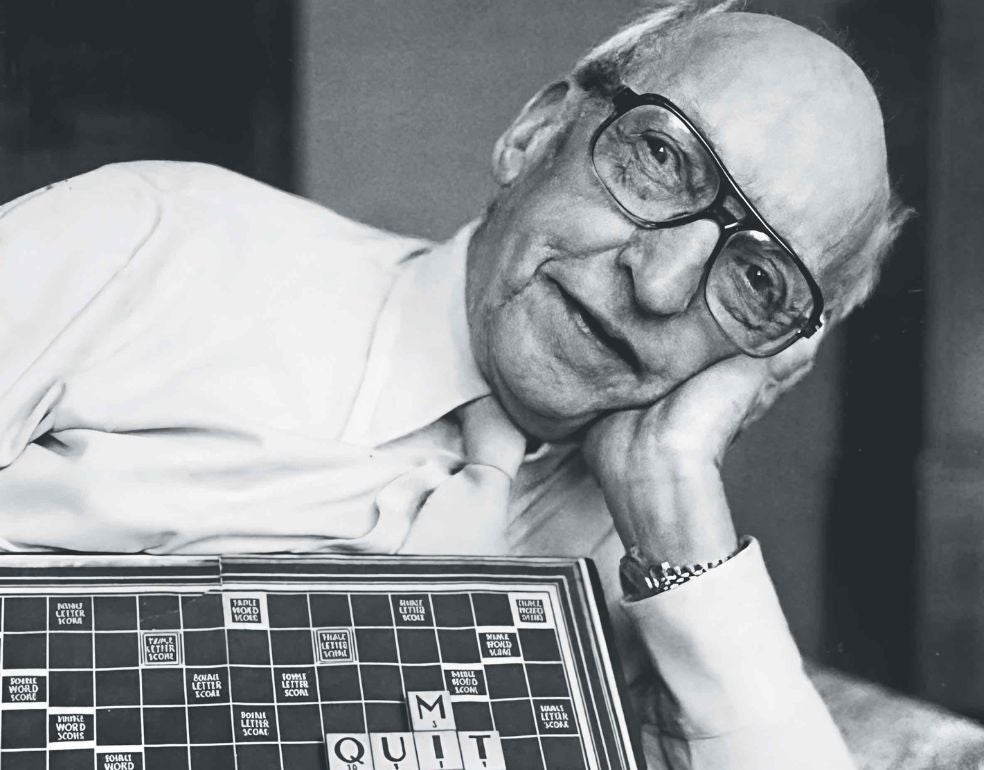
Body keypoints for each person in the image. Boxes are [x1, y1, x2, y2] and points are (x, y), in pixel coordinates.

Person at [0, 2, 909, 768]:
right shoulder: (147, 244)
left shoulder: (650, 571)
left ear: (776, 361)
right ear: (536, 134)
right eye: (662, 160)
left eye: (758, 280)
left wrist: (681, 523)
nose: (660, 283)